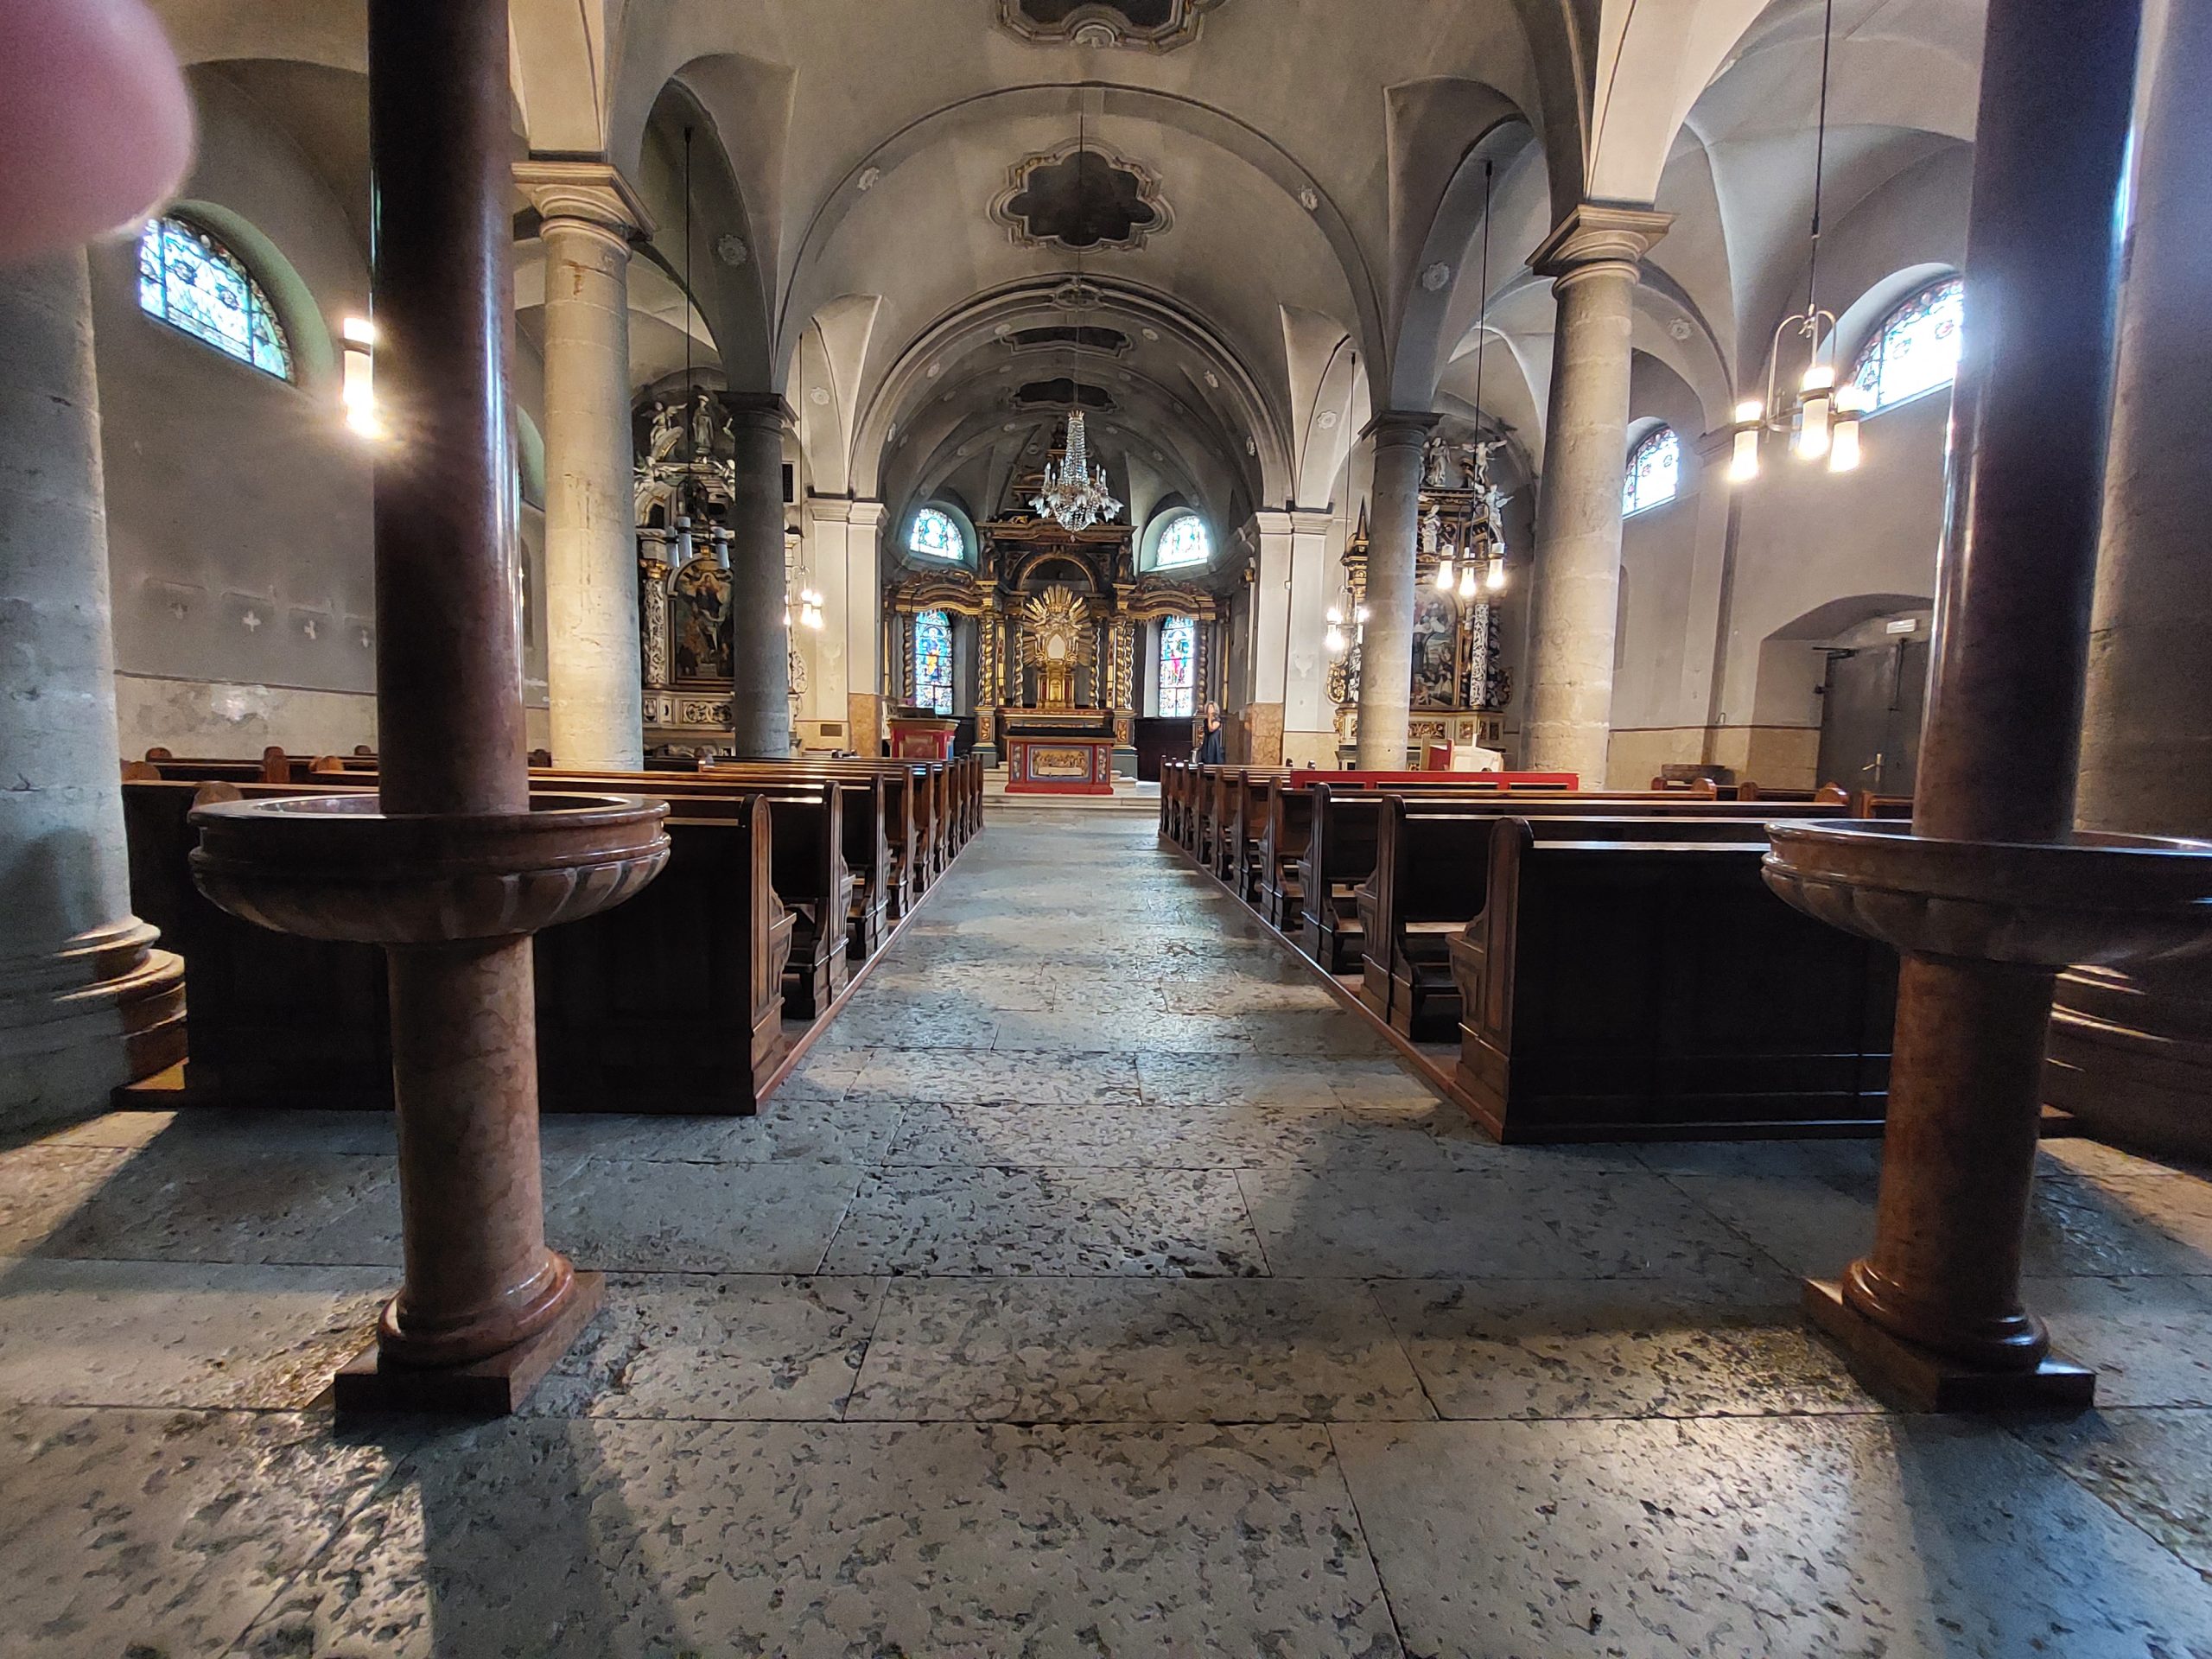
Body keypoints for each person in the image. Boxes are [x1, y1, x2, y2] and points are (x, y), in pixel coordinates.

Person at [1195, 701, 1225, 766]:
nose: (1210, 709)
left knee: (1211, 759)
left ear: (1215, 709)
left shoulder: (1217, 720)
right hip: (1207, 741)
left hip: (1213, 743)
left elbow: (1211, 729)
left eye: (1211, 707)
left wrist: (1210, 717)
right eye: (1209, 707)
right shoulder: (1205, 721)